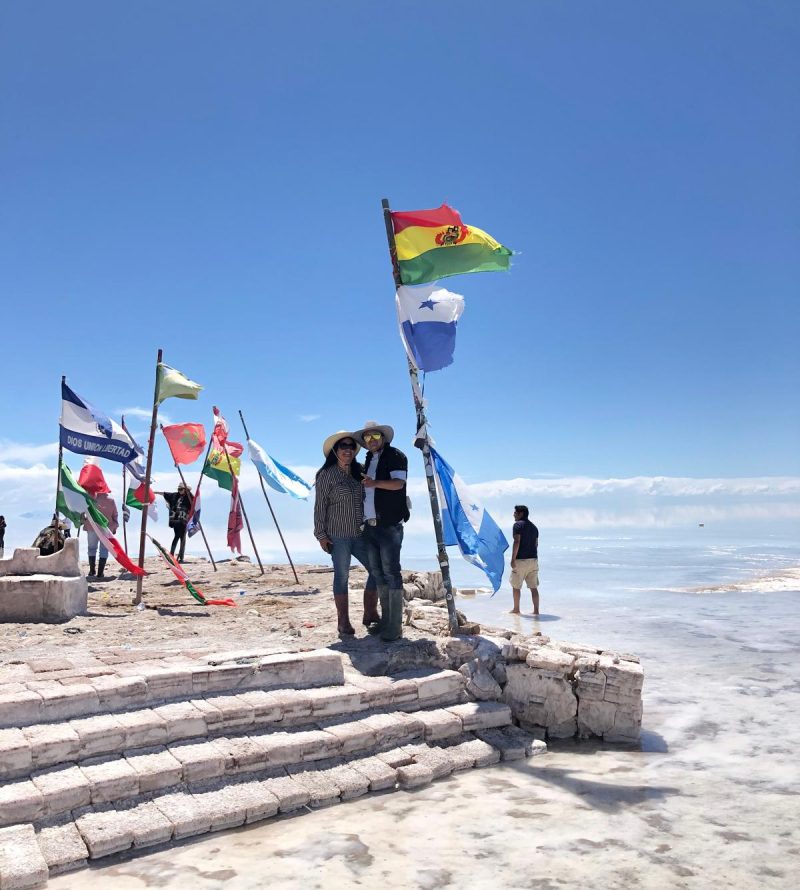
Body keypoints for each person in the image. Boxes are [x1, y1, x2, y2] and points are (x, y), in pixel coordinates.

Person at [353, 420, 409, 642]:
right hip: (370, 526)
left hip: (389, 525)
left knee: (391, 573)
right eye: (367, 438)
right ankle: (386, 622)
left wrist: (375, 483)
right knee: (378, 574)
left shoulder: (395, 455)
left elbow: (398, 484)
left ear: (383, 437)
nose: (371, 441)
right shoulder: (368, 458)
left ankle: (394, 627)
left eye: (375, 436)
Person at [313, 431, 371, 636]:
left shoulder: (361, 471)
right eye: (343, 446)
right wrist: (321, 535)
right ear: (335, 451)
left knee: (376, 570)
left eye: (350, 446)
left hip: (362, 534)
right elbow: (320, 507)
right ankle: (343, 622)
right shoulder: (326, 475)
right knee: (342, 576)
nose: (347, 449)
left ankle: (370, 614)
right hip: (338, 535)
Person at [509, 505, 539, 615]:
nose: (514, 515)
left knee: (516, 586)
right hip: (533, 560)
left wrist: (513, 559)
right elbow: (536, 544)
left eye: (515, 513)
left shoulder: (517, 525)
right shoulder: (534, 527)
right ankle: (536, 611)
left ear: (521, 513)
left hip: (521, 560)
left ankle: (516, 609)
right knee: (533, 587)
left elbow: (517, 541)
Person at [156, 483, 193, 562]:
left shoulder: (189, 497)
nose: (179, 491)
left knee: (182, 538)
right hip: (176, 520)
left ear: (185, 490)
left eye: (181, 489)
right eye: (178, 489)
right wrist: (155, 492)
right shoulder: (174, 495)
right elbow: (164, 494)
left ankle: (181, 557)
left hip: (184, 520)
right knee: (177, 536)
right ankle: (172, 555)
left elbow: (194, 503)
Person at [87, 492, 119, 579]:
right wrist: (114, 527)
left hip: (92, 527)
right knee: (104, 549)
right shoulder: (111, 501)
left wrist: (83, 520)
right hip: (106, 528)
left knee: (91, 548)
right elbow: (115, 515)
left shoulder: (90, 499)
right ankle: (100, 573)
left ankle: (92, 571)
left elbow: (84, 512)